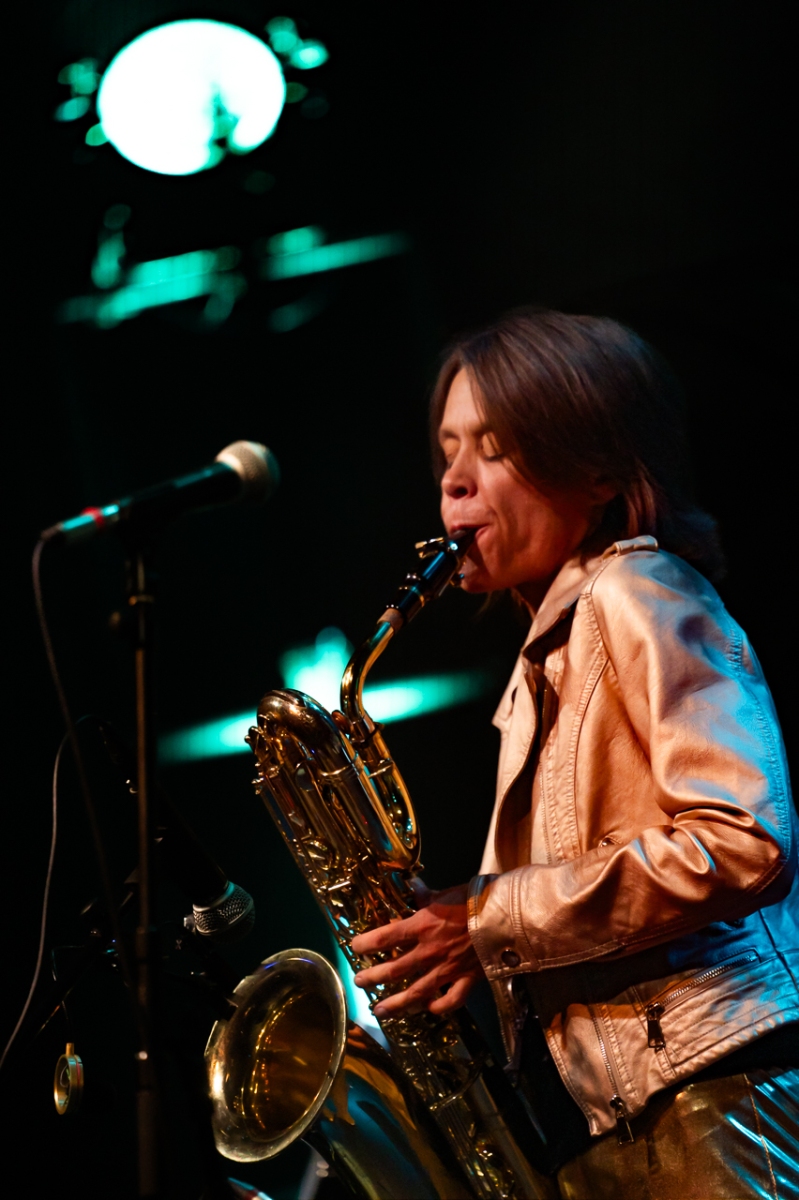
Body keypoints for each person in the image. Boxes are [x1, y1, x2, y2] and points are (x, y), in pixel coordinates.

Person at [351, 310, 799, 1199]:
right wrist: (459, 931)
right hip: (620, 1117)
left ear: (597, 472)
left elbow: (745, 840)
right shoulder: (546, 653)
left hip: (707, 1094)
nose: (453, 480)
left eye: (494, 449)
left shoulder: (635, 589)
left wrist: (489, 920)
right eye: (447, 450)